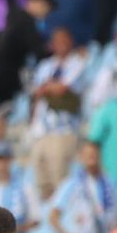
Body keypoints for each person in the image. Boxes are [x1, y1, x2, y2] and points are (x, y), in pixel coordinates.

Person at [27, 27, 89, 201]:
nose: (60, 45)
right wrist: (48, 89)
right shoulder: (46, 65)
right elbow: (36, 91)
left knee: (60, 181)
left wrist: (47, 88)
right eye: (56, 41)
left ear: (71, 42)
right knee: (42, 181)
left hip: (64, 130)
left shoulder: (77, 63)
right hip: (42, 129)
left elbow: (63, 88)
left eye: (64, 40)